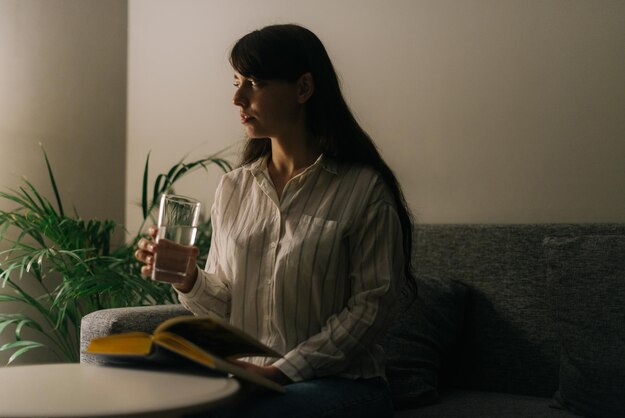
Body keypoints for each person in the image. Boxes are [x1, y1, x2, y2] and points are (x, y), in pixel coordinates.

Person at [135, 23, 416, 418]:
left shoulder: (364, 189)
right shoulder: (234, 188)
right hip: (248, 377)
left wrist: (281, 372)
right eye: (236, 82)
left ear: (303, 88)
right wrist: (190, 278)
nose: (237, 97)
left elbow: (371, 310)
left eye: (254, 82)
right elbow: (227, 305)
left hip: (342, 385)